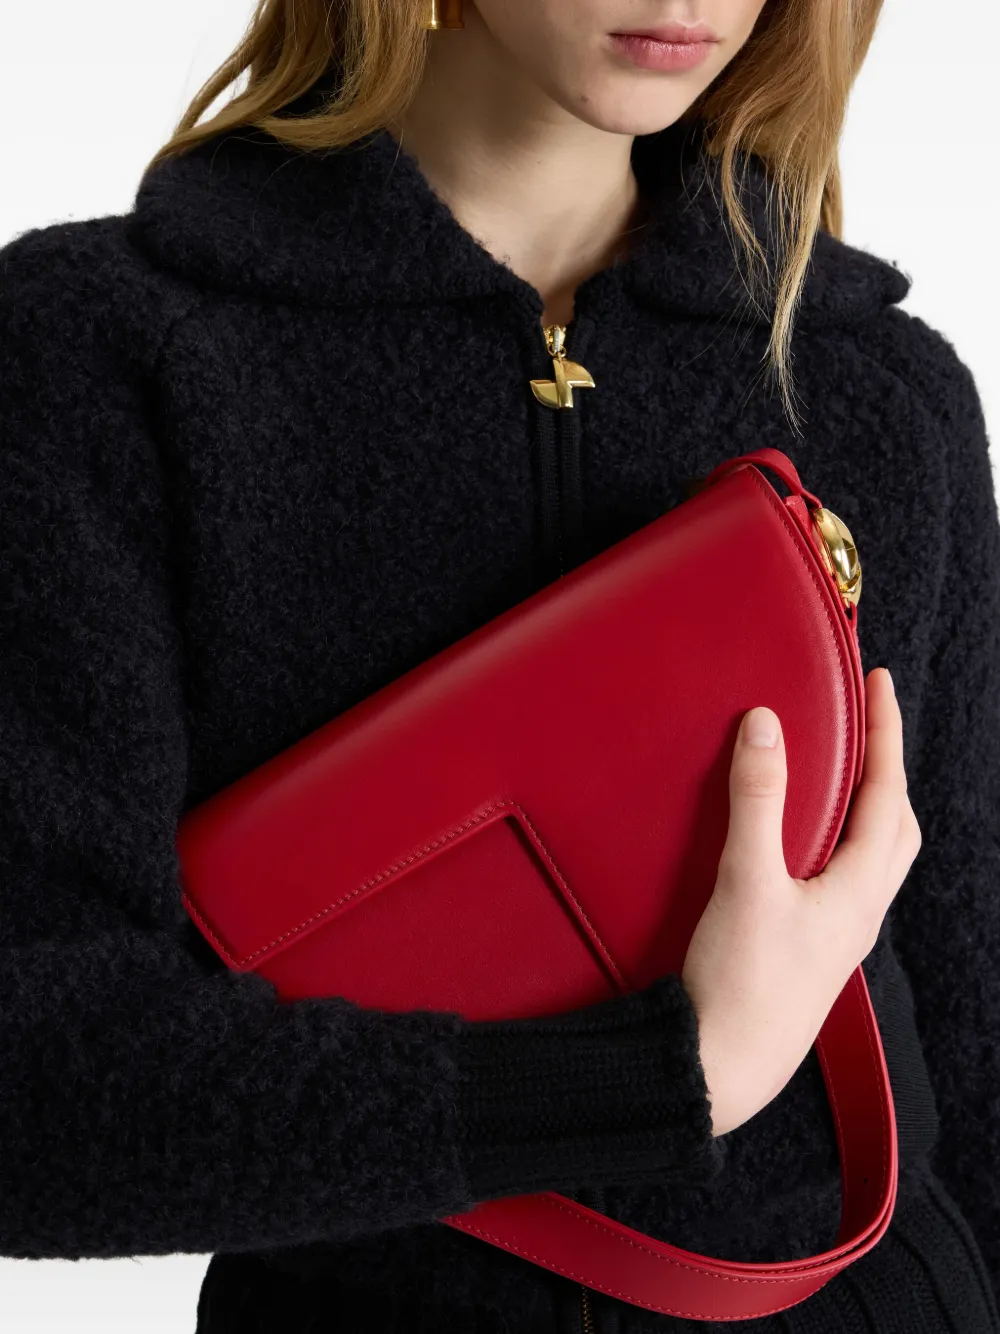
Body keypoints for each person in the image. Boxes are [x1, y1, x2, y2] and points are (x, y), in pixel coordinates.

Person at [1, 1, 998, 1331]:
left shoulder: (887, 390)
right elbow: (34, 1079)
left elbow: (976, 1020)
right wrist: (660, 1077)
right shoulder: (103, 354)